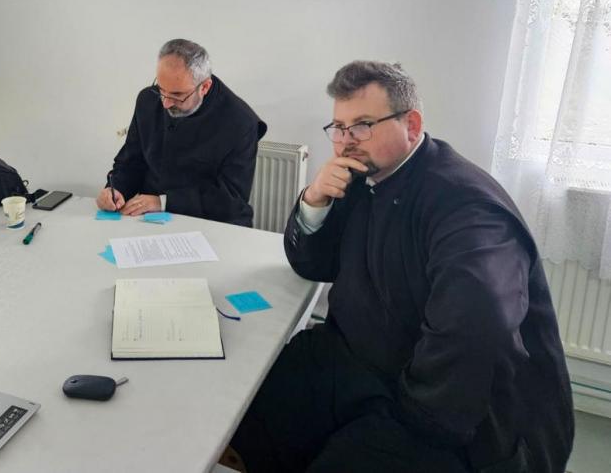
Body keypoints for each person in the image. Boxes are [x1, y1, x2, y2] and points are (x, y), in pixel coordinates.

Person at [229, 62, 573, 472]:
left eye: (362, 126)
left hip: (451, 404)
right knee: (247, 408)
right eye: (339, 127)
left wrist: (408, 419)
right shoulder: (363, 176)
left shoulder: (466, 206)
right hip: (362, 355)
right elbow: (313, 265)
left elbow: (477, 332)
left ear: (411, 125)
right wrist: (315, 200)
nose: (346, 142)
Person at [96, 39, 266, 227]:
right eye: (161, 90)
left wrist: (163, 202)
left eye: (177, 95)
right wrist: (116, 189)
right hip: (153, 220)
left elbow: (231, 198)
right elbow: (131, 162)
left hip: (216, 223)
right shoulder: (148, 99)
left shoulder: (241, 122)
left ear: (204, 87)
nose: (165, 103)